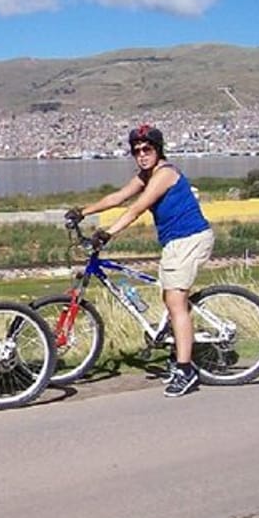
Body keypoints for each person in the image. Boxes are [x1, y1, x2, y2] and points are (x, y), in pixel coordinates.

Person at [65, 124, 214, 397]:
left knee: (176, 303)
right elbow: (118, 197)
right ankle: (179, 351)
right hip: (175, 242)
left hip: (189, 238)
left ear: (158, 150)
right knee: (169, 298)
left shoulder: (164, 174)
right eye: (137, 151)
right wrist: (82, 212)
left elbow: (136, 208)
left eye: (147, 149)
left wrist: (107, 233)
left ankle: (185, 369)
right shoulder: (145, 175)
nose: (142, 155)